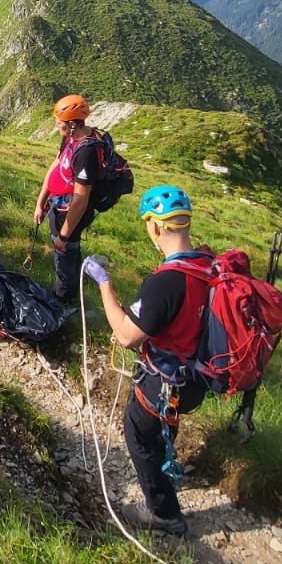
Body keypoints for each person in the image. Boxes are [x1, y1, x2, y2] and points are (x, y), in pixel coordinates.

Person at [82, 185, 210, 539]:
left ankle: (163, 511)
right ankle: (168, 470)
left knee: (139, 434)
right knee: (163, 426)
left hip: (163, 381)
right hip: (195, 380)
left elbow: (125, 335)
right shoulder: (207, 267)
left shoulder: (165, 283)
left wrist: (105, 285)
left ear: (155, 226)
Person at [33, 94, 104, 305]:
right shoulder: (70, 138)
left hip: (69, 214)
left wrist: (63, 238)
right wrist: (41, 201)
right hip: (58, 206)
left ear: (72, 123)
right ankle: (74, 287)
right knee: (69, 253)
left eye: (60, 123)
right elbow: (55, 167)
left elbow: (81, 200)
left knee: (64, 253)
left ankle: (62, 301)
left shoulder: (87, 153)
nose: (57, 126)